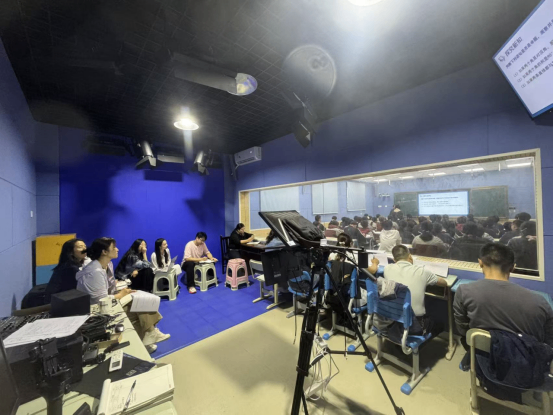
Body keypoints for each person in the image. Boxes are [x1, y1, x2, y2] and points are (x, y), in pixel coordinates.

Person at [454, 243, 552, 371]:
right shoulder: (540, 303)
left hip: (484, 364)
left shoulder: (464, 291)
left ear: (480, 263)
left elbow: (463, 329)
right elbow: (548, 342)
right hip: (525, 369)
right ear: (513, 267)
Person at [76, 237, 170, 353]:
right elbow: (101, 301)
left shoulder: (108, 264)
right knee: (139, 307)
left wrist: (120, 290)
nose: (117, 249)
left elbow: (109, 288)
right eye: (114, 247)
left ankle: (149, 335)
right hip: (96, 312)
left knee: (141, 301)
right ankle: (150, 334)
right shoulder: (95, 272)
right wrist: (121, 294)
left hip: (109, 300)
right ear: (104, 252)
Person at [376, 245, 447, 338]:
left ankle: (400, 338)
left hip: (393, 322)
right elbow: (444, 283)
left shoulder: (387, 269)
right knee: (439, 324)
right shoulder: (422, 271)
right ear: (410, 256)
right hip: (415, 326)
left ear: (394, 259)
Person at [45, 238, 88, 303]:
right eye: (80, 247)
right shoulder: (70, 268)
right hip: (57, 303)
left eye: (85, 246)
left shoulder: (72, 265)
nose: (85, 249)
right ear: (71, 252)